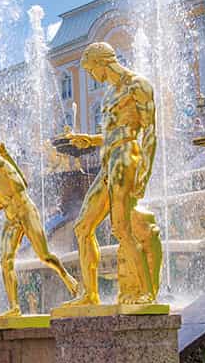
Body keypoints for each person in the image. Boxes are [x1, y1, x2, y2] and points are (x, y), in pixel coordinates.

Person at [59, 42, 163, 306]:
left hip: (127, 157)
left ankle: (147, 292)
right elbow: (110, 134)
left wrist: (146, 171)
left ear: (102, 62)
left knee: (121, 227)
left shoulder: (137, 85)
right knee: (83, 226)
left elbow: (149, 131)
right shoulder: (108, 95)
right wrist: (89, 140)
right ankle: (89, 294)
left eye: (91, 70)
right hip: (108, 161)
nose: (92, 76)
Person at [0, 135, 79, 317]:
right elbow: (10, 193)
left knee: (45, 256)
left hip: (26, 212)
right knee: (5, 261)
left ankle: (68, 278)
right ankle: (14, 308)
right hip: (11, 219)